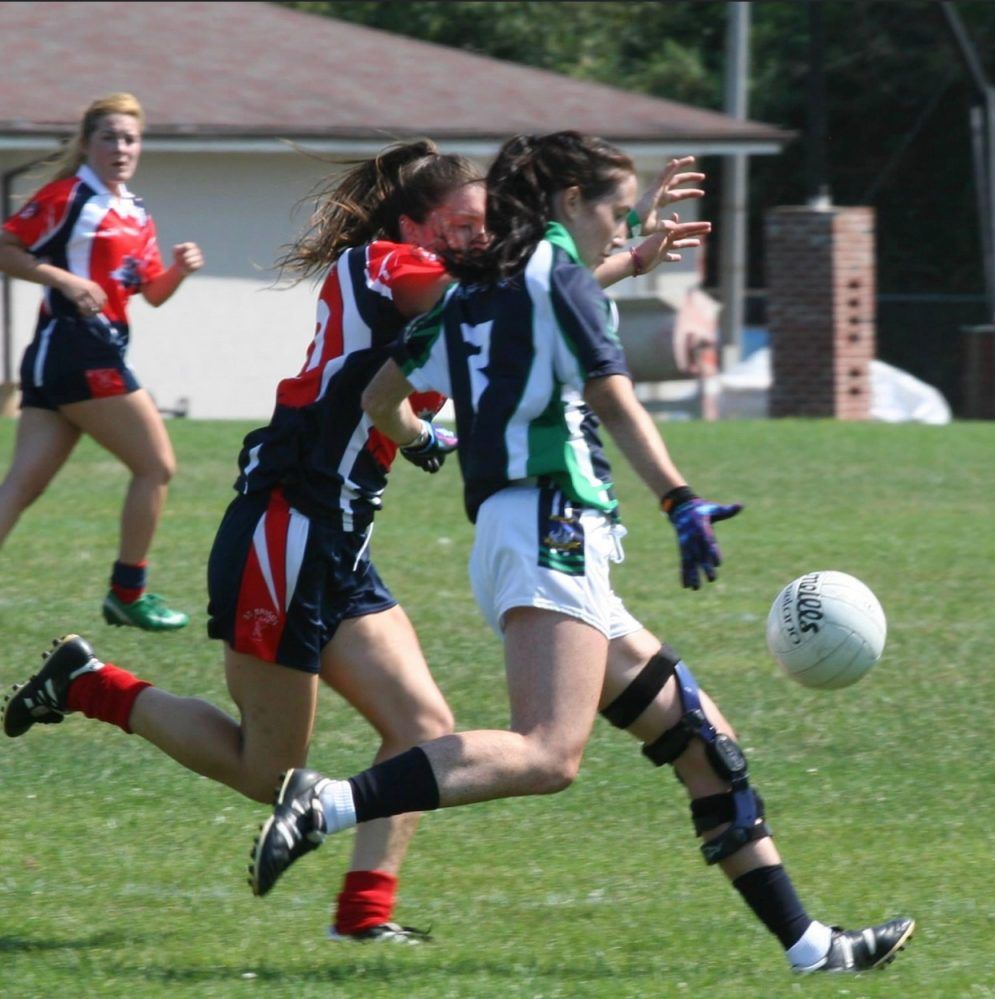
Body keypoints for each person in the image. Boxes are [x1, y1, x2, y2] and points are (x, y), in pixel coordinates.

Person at [1, 139, 713, 942]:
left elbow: (506, 306)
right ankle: (88, 682)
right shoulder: (386, 263)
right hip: (289, 525)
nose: (484, 236)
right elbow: (499, 298)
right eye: (466, 224)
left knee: (421, 724)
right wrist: (611, 261)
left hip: (338, 539)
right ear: (414, 224)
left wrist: (622, 260)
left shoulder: (447, 284)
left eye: (490, 224)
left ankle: (362, 918)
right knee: (264, 771)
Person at [244, 131, 915, 974]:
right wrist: (679, 499)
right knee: (547, 753)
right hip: (550, 529)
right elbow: (612, 394)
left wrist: (426, 438)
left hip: (532, 534)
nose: (623, 218)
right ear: (567, 203)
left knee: (704, 743)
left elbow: (383, 396)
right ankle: (329, 803)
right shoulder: (545, 278)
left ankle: (815, 948)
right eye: (613, 205)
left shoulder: (485, 288)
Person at [0, 93, 203, 631]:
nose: (121, 147)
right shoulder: (67, 196)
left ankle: (126, 594)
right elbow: (5, 247)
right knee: (156, 466)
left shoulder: (135, 212)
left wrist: (179, 270)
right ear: (87, 143)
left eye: (130, 138)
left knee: (22, 484)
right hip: (74, 347)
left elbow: (151, 293)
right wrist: (62, 277)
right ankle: (127, 593)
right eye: (110, 137)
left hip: (72, 355)